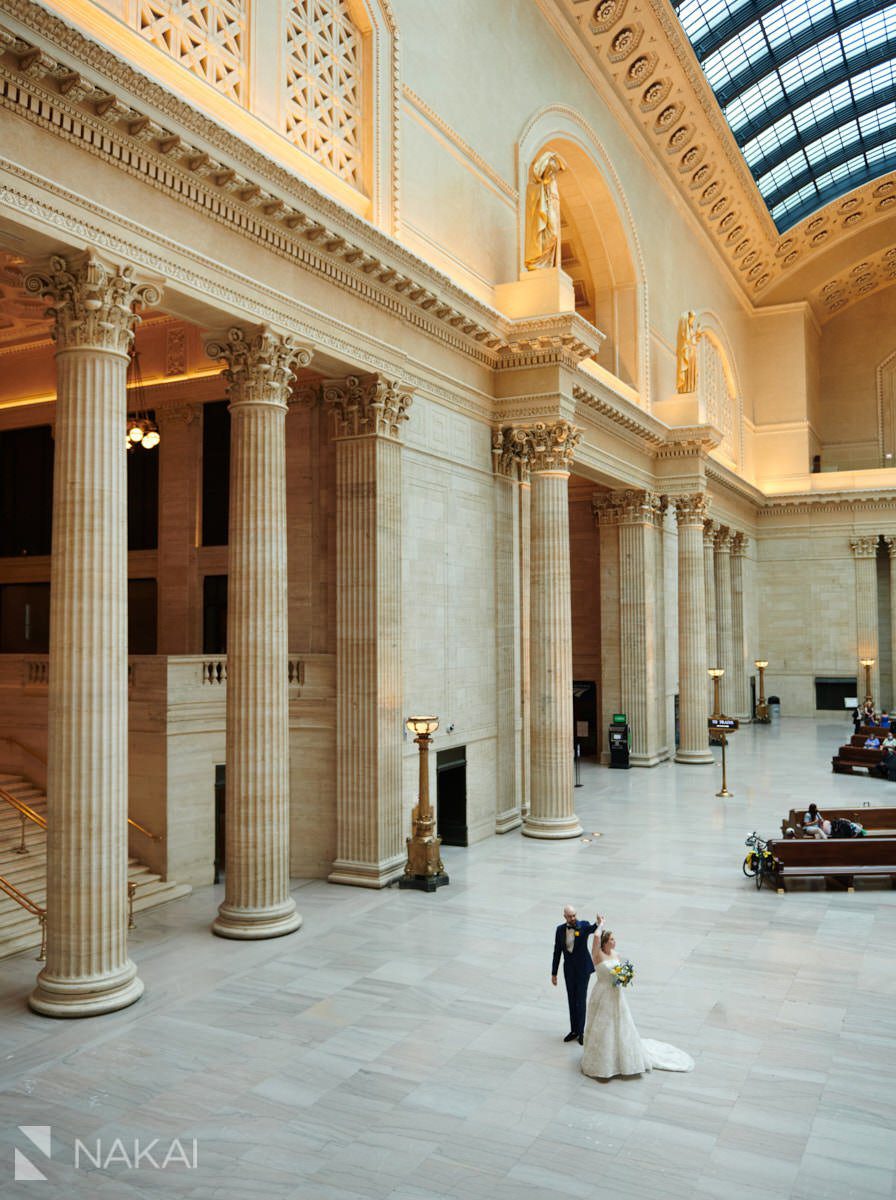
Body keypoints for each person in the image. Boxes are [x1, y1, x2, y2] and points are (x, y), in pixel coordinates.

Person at [581, 928, 694, 1080]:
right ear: (604, 942)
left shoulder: (616, 954)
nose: (615, 942)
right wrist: (600, 925)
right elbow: (595, 938)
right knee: (603, 1025)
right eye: (611, 940)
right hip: (602, 993)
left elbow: (618, 972)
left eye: (614, 939)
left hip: (616, 994)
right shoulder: (597, 955)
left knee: (619, 1024)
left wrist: (623, 977)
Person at [551, 905, 600, 1045]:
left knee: (581, 999)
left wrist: (598, 923)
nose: (573, 918)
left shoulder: (583, 925)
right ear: (564, 916)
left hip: (583, 969)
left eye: (574, 915)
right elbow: (557, 952)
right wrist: (554, 973)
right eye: (570, 916)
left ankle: (581, 1032)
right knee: (571, 999)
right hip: (569, 970)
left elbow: (592, 928)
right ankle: (573, 1030)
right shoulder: (560, 930)